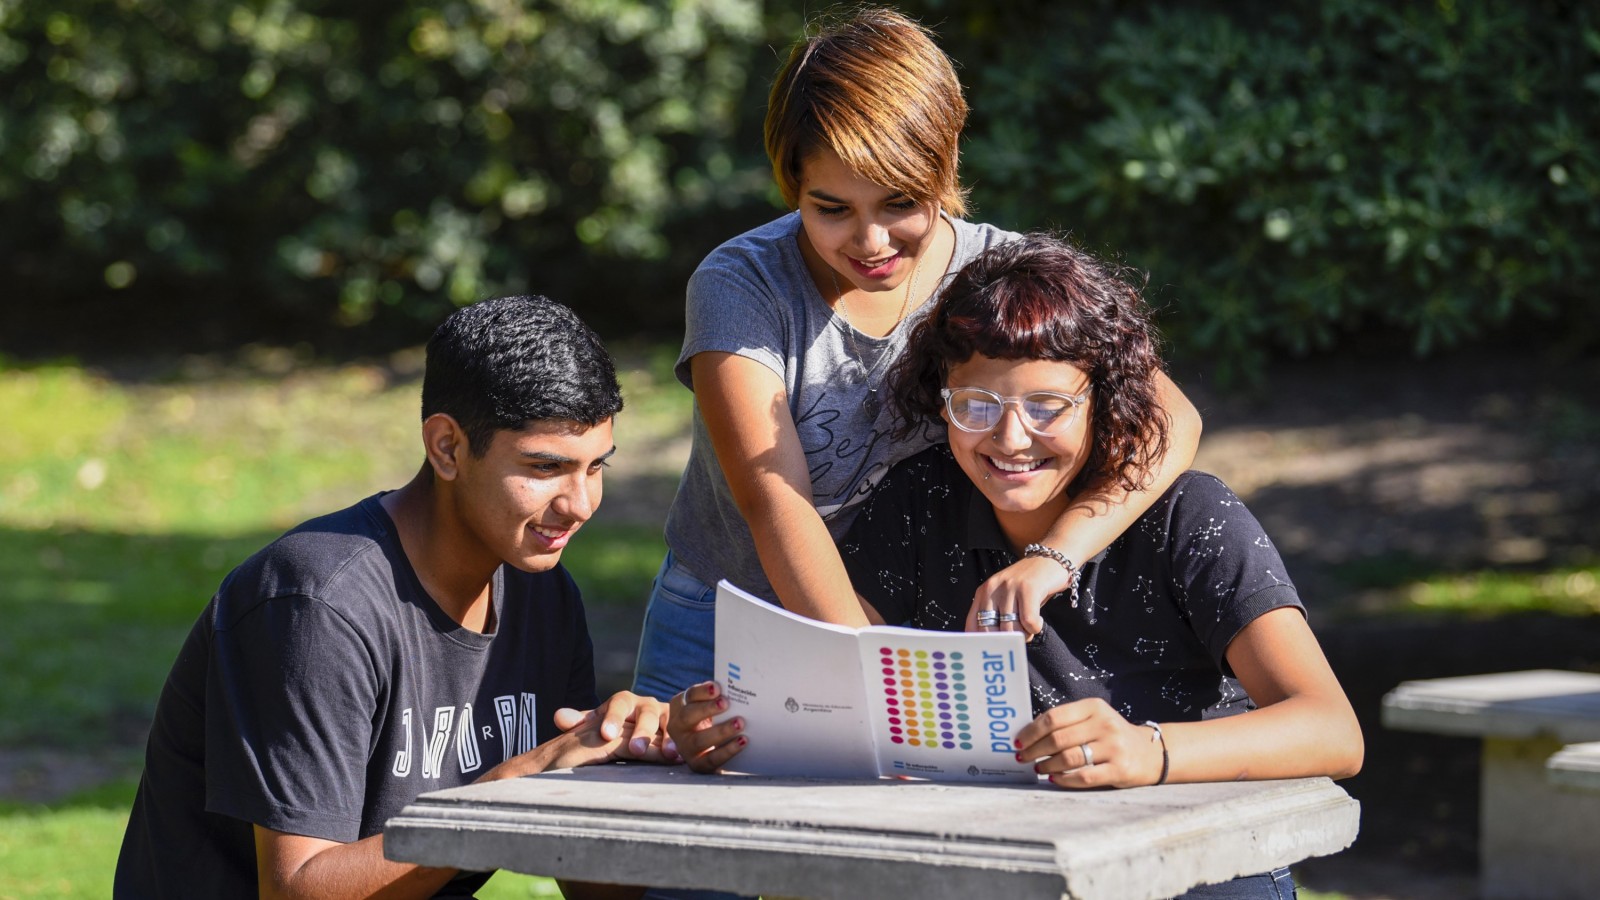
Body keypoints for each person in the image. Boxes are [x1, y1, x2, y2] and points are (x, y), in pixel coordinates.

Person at [670, 234, 1362, 897]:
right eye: (976, 405)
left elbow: (1333, 729)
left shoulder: (1191, 515)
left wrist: (1147, 752)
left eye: (1047, 406)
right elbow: (841, 692)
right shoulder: (919, 503)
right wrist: (732, 729)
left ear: (1105, 401)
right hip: (1000, 869)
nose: (1010, 438)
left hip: (1195, 868)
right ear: (940, 398)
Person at [632, 6, 1202, 709]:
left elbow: (1171, 420)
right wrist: (875, 681)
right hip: (732, 615)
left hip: (916, 614)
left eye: (899, 201)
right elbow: (775, 502)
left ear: (945, 164)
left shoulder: (997, 274)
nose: (871, 241)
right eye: (831, 208)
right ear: (791, 184)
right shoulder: (741, 284)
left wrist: (1056, 555)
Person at [115, 295, 675, 900]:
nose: (581, 505)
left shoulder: (542, 592)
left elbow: (597, 892)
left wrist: (633, 763)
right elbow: (296, 891)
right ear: (447, 448)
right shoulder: (316, 606)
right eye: (545, 468)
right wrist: (510, 791)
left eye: (596, 468)